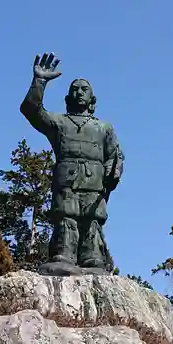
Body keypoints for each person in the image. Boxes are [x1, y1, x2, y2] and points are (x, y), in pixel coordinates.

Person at [20, 52, 124, 272]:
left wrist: (112, 171)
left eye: (84, 89)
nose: (78, 92)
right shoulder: (58, 122)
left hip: (94, 183)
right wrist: (39, 81)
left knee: (92, 220)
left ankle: (92, 257)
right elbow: (31, 110)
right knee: (66, 218)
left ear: (92, 99)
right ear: (67, 97)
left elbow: (115, 155)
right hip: (66, 181)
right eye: (74, 89)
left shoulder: (103, 128)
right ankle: (63, 255)